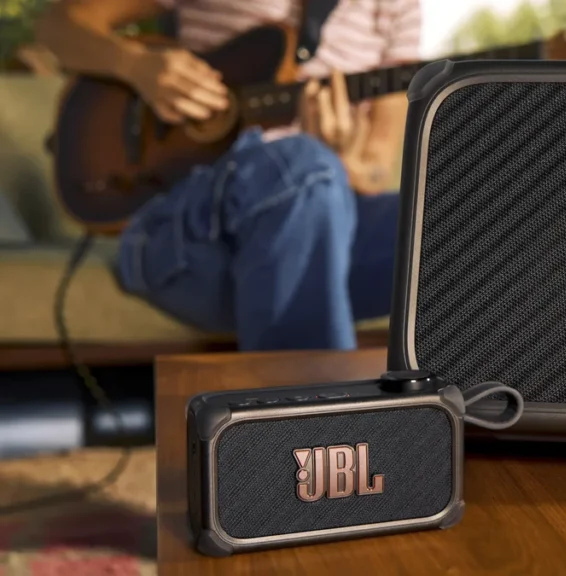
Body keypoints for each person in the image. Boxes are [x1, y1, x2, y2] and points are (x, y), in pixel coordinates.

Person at [35, 0, 420, 350]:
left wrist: (339, 161)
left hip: (319, 226)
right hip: (189, 233)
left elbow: (373, 171)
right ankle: (314, 425)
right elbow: (58, 26)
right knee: (304, 165)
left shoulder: (398, 7)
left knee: (461, 216)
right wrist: (137, 65)